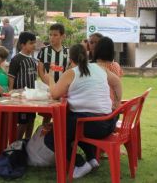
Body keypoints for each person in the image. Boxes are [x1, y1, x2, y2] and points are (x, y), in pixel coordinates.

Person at [44, 44, 122, 179]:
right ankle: (92, 159)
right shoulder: (100, 68)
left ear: (70, 58)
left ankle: (80, 164)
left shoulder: (71, 73)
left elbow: (55, 94)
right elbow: (117, 83)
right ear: (87, 55)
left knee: (52, 138)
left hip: (92, 125)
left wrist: (50, 80)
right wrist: (117, 102)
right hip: (110, 122)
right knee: (73, 127)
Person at [37, 23, 69, 124]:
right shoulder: (44, 50)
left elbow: (70, 70)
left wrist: (63, 86)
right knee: (46, 117)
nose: (52, 37)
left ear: (63, 36)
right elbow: (40, 70)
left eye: (55, 35)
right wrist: (48, 84)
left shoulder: (68, 52)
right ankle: (43, 137)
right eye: (50, 35)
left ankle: (59, 138)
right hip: (48, 89)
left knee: (62, 117)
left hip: (64, 90)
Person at [8, 31, 37, 140]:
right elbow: (11, 77)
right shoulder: (16, 59)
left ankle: (28, 142)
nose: (34, 45)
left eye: (34, 43)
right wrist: (11, 91)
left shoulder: (33, 60)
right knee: (23, 122)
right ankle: (17, 144)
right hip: (21, 98)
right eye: (31, 43)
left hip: (31, 97)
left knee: (31, 120)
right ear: (22, 45)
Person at [93, 36, 123, 110]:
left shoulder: (92, 67)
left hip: (99, 111)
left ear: (97, 50)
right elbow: (118, 93)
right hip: (114, 110)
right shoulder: (116, 66)